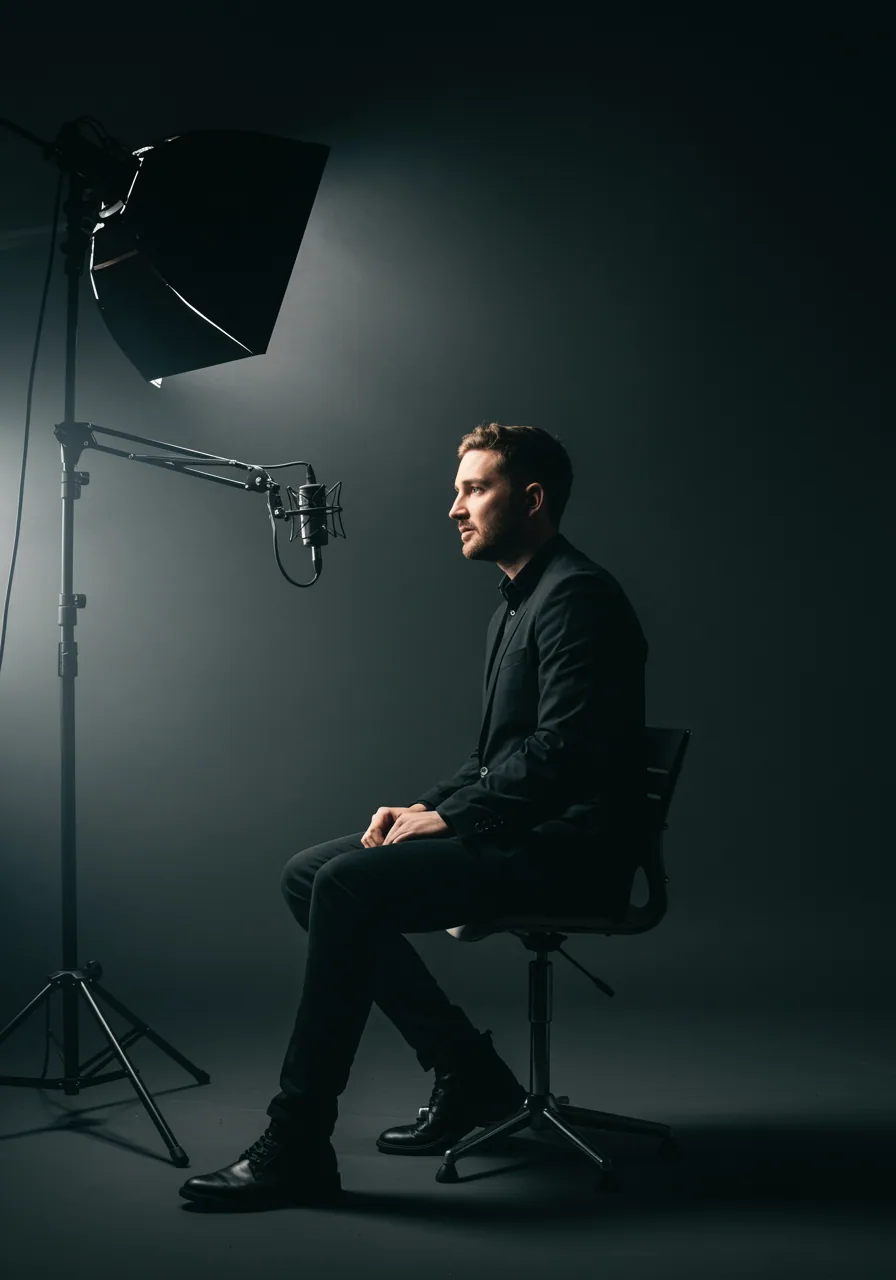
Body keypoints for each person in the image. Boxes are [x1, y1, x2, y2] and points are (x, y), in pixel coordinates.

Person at [179, 422, 649, 1208]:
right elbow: (498, 757)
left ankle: (298, 1139)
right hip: (525, 827)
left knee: (348, 887)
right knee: (311, 875)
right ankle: (471, 1073)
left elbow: (565, 755)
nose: (455, 507)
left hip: (570, 848)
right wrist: (425, 807)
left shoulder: (578, 597)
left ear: (531, 500)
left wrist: (460, 823)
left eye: (475, 488)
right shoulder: (517, 605)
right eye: (457, 490)